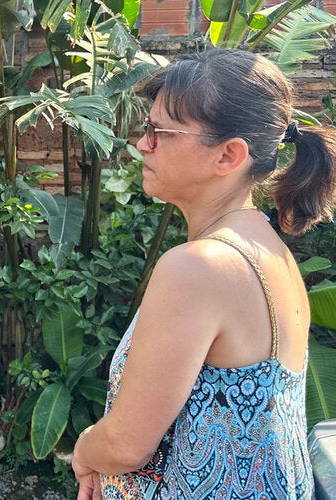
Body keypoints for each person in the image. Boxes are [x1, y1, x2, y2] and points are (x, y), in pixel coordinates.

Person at [72, 49, 336, 499]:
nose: (143, 144)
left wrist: (84, 448)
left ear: (229, 155)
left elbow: (124, 445)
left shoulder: (198, 267)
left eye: (159, 132)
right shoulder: (268, 249)